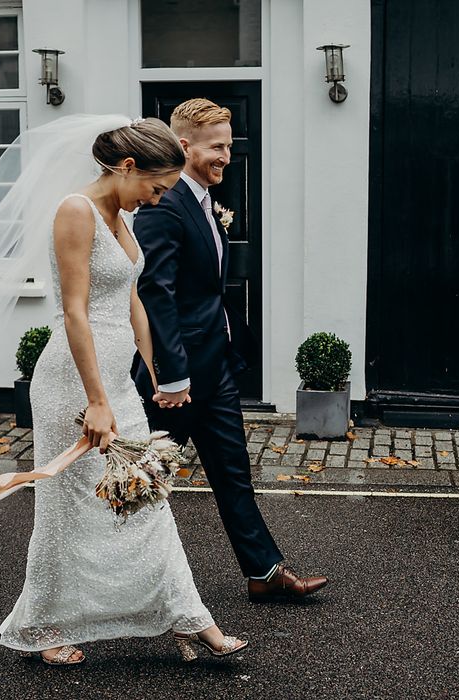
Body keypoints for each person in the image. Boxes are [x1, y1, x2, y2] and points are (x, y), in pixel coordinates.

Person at [0, 115, 247, 665]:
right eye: (155, 186)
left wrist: (159, 370)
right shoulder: (75, 211)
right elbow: (75, 312)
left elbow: (133, 301)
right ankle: (43, 626)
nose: (156, 199)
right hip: (71, 383)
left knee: (145, 497)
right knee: (66, 510)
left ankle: (189, 616)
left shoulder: (122, 216)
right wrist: (97, 401)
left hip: (115, 380)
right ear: (127, 167)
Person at [133, 99, 328, 602]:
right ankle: (109, 582)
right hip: (173, 381)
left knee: (233, 474)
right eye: (216, 146)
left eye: (229, 144)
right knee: (140, 482)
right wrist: (171, 376)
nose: (226, 154)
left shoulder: (204, 201)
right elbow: (158, 293)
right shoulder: (163, 205)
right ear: (184, 147)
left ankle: (263, 572)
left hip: (215, 368)